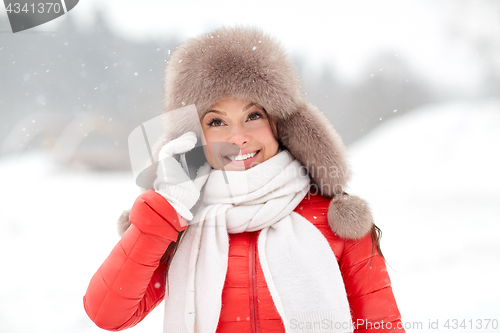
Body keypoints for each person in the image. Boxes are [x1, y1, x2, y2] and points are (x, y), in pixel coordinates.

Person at [83, 27, 404, 333]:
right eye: (217, 121)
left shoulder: (335, 220)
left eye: (253, 116)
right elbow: (108, 314)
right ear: (194, 138)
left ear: (279, 125)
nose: (238, 137)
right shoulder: (176, 222)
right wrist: (165, 208)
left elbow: (381, 325)